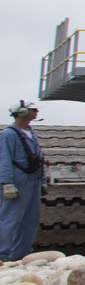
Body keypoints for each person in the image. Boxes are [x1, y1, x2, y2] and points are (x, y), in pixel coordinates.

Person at [1, 104, 42, 261]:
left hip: (32, 182)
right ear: (22, 112)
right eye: (33, 109)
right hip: (17, 181)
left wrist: (42, 180)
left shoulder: (31, 133)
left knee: (31, 219)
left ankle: (22, 254)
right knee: (10, 218)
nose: (36, 112)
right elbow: (4, 160)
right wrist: (6, 183)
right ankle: (2, 254)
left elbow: (38, 159)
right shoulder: (8, 135)